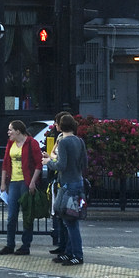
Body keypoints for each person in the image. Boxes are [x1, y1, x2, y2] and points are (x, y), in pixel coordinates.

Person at [0, 119, 43, 256]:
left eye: (10, 129)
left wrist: (33, 182)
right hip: (14, 182)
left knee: (27, 214)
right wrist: (3, 183)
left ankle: (25, 245)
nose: (8, 132)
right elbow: (5, 163)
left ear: (18, 131)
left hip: (26, 181)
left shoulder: (31, 143)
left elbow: (38, 165)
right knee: (12, 216)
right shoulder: (10, 143)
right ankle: (9, 244)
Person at [50, 114, 88, 266]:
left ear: (60, 125)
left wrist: (48, 162)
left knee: (70, 223)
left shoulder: (64, 143)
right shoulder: (80, 141)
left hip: (67, 185)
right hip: (78, 182)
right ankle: (69, 253)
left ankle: (77, 255)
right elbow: (84, 163)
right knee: (70, 220)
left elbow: (61, 165)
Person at [47, 111, 72, 257]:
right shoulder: (60, 138)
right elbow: (53, 152)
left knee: (64, 216)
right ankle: (62, 246)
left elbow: (59, 160)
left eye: (57, 122)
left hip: (65, 181)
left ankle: (67, 249)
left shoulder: (66, 140)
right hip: (59, 180)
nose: (55, 125)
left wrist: (50, 160)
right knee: (58, 214)